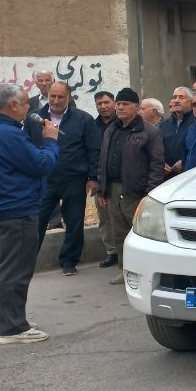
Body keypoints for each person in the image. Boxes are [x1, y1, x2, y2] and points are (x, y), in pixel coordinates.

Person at [0, 83, 59, 344]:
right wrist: (51, 141)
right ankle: (13, 328)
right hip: (15, 209)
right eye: (26, 102)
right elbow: (41, 164)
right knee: (15, 269)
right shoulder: (8, 134)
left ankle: (0, 322)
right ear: (13, 105)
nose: (29, 107)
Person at [97, 88, 165, 284]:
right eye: (118, 104)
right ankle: (125, 270)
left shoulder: (149, 132)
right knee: (119, 234)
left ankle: (147, 273)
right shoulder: (111, 129)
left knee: (140, 234)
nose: (120, 107)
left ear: (137, 107)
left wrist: (149, 195)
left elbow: (156, 165)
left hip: (136, 193)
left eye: (125, 104)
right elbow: (103, 160)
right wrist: (102, 189)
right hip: (113, 190)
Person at [36, 81, 100, 275]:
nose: (56, 100)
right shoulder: (35, 118)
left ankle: (69, 261)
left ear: (69, 97)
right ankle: (27, 260)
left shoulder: (83, 119)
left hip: (74, 178)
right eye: (52, 96)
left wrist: (93, 177)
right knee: (36, 220)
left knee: (74, 221)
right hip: (44, 179)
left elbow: (94, 150)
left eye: (60, 96)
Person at [92, 90, 119, 266]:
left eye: (106, 102)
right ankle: (111, 251)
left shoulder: (122, 123)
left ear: (114, 103)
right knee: (104, 218)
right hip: (100, 179)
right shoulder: (92, 126)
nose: (103, 106)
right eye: (99, 104)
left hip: (120, 179)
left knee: (121, 218)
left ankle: (126, 252)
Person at [160, 86, 193, 175]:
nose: (176, 100)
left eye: (181, 97)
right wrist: (161, 162)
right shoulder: (164, 124)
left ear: (191, 102)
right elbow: (157, 147)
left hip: (188, 173)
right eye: (174, 97)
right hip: (166, 175)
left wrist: (184, 161)